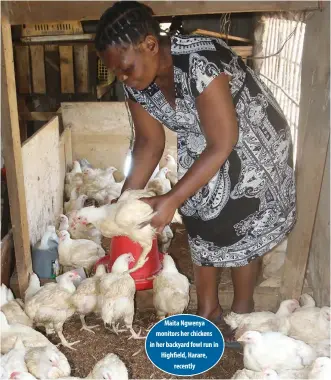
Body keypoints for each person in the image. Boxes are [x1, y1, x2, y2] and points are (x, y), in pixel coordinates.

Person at [95, 1, 296, 347]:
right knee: (199, 213)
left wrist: (172, 197)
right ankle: (208, 312)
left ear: (150, 45)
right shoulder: (135, 83)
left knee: (238, 220)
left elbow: (224, 142)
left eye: (125, 69)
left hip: (252, 139)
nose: (122, 79)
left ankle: (242, 312)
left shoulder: (202, 61)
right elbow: (147, 143)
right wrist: (123, 206)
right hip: (206, 140)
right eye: (116, 73)